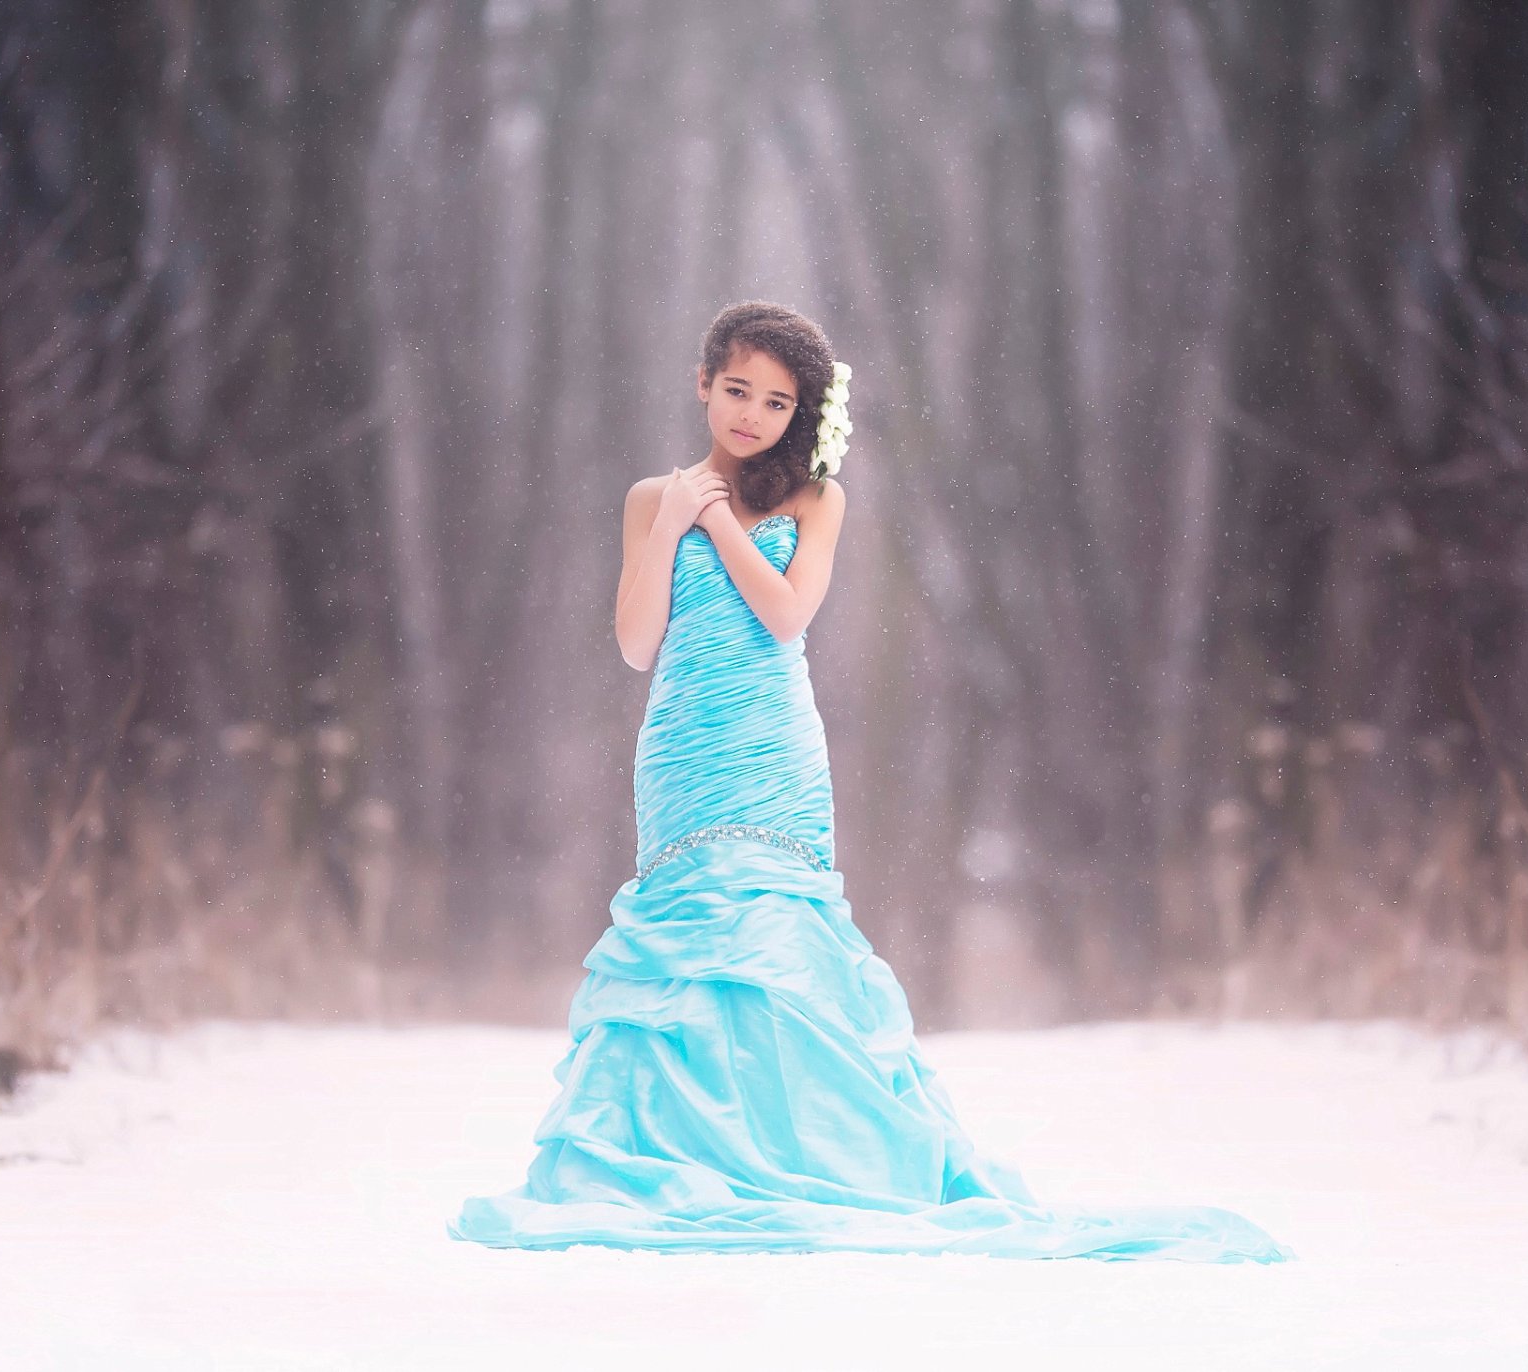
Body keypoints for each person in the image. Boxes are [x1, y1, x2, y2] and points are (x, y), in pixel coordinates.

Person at [446, 300, 1295, 1262]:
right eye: (736, 391)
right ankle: (685, 1152)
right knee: (688, 937)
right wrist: (673, 518)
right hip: (681, 750)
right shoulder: (652, 497)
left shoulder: (815, 498)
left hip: (773, 751)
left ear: (799, 411)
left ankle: (802, 1151)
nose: (751, 415)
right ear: (702, 385)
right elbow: (637, 645)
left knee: (775, 934)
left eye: (775, 401)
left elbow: (784, 618)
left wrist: (717, 521)